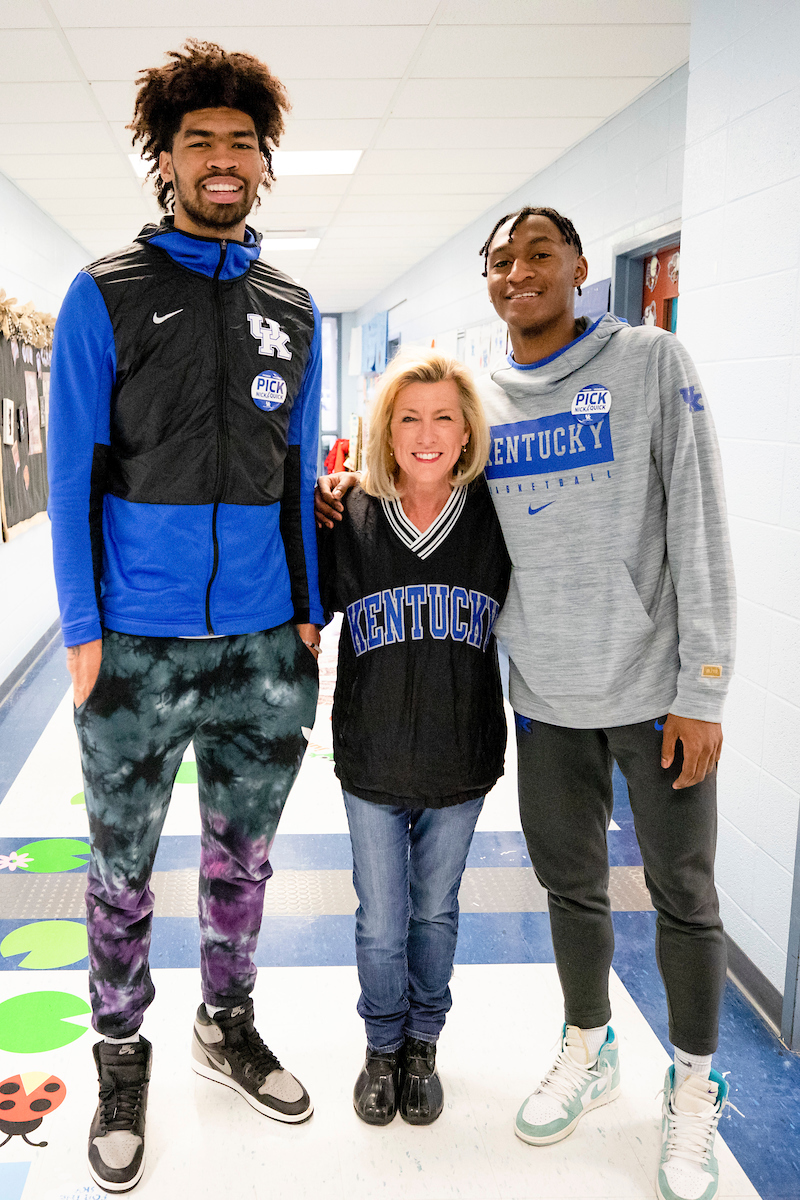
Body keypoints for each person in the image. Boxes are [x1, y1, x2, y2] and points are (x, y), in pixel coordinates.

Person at [316, 206, 736, 1200]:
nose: (516, 274)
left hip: (653, 691)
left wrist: (703, 685)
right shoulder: (484, 399)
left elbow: (700, 523)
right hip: (543, 696)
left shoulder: (649, 361)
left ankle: (690, 1085)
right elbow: (416, 483)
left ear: (580, 267)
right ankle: (587, 1048)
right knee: (571, 889)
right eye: (499, 262)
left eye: (536, 255)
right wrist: (339, 495)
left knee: (683, 892)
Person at [47, 41, 323, 1193]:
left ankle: (228, 1020)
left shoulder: (290, 306)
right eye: (198, 139)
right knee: (119, 869)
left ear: (262, 165)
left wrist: (308, 613)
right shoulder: (104, 293)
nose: (221, 158)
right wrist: (81, 628)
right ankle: (120, 1053)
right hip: (140, 644)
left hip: (264, 642)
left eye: (240, 143)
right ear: (163, 159)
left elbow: (299, 467)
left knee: (241, 861)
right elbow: (69, 472)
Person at [318, 351, 510, 1127]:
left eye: (443, 417)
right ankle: (380, 1044)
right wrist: (318, 495)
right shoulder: (349, 515)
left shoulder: (500, 513)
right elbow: (305, 617)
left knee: (436, 912)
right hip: (369, 761)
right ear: (384, 431)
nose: (426, 434)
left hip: (461, 759)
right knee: (380, 918)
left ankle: (423, 1044)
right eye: (408, 418)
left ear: (466, 431)